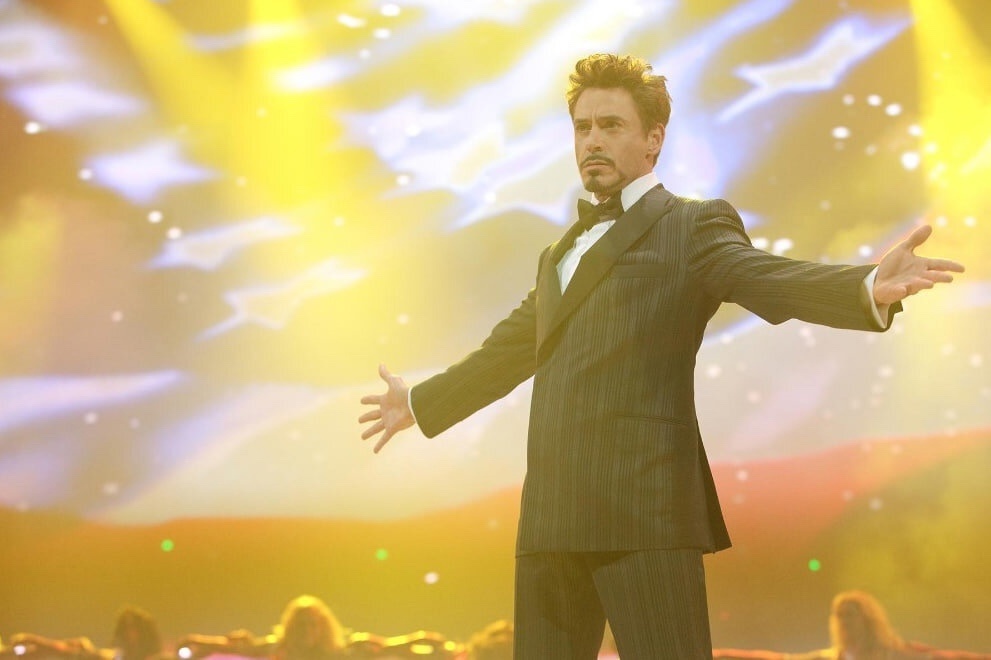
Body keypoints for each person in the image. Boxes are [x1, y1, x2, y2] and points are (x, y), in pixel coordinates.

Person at [358, 53, 964, 659]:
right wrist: (420, 403)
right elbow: (507, 350)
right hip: (551, 513)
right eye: (582, 127)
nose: (592, 140)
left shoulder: (691, 226)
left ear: (653, 139)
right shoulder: (558, 253)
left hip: (643, 510)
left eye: (611, 125)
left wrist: (863, 286)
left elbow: (762, 275)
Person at [179, 595, 346, 660]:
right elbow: (245, 648)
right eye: (301, 625)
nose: (307, 630)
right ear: (291, 627)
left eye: (313, 624)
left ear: (323, 627)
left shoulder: (337, 654)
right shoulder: (279, 647)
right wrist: (199, 641)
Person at [784, 590, 933, 660]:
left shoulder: (891, 654)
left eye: (849, 615)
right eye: (839, 615)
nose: (843, 621)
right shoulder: (832, 657)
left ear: (867, 619)